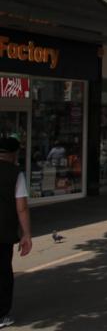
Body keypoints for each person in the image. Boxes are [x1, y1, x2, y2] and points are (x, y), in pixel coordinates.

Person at [0, 137, 31, 329]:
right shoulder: (15, 173)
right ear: (13, 154)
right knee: (2, 271)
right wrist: (26, 233)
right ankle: (2, 314)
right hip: (3, 231)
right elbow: (22, 208)